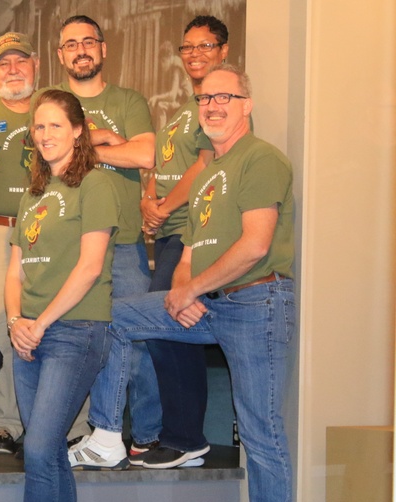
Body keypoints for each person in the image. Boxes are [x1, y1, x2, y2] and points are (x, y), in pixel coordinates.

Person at [102, 65, 295, 502]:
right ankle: (104, 437)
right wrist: (182, 291)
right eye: (205, 98)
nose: (212, 105)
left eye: (224, 97)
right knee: (116, 316)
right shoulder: (210, 171)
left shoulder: (261, 159)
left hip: (258, 302)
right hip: (211, 302)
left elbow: (255, 245)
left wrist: (194, 290)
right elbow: (188, 249)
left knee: (261, 431)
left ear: (246, 105)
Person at [4, 89, 118, 502]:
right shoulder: (31, 194)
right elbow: (15, 269)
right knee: (47, 448)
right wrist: (14, 320)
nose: (45, 134)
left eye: (55, 125)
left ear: (78, 129)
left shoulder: (96, 185)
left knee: (38, 446)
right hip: (30, 332)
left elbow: (90, 266)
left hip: (75, 329)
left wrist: (41, 321)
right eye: (38, 126)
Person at [51, 15, 159, 469]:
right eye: (71, 44)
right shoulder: (51, 102)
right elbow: (40, 155)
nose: (81, 50)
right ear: (61, 55)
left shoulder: (129, 100)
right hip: (67, 247)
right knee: (85, 341)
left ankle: (150, 434)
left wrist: (80, 147)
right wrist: (101, 142)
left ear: (103, 49)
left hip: (125, 242)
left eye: (88, 42)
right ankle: (99, 433)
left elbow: (146, 153)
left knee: (137, 338)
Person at [126, 16, 233, 467]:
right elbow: (162, 164)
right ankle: (180, 435)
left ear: (224, 51)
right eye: (187, 47)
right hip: (170, 231)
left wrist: (166, 206)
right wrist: (150, 201)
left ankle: (186, 437)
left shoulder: (219, 105)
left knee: (167, 326)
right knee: (169, 326)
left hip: (195, 233)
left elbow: (207, 165)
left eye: (205, 46)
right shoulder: (185, 108)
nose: (194, 54)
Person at [0, 32, 39, 456]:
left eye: (20, 61)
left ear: (36, 63)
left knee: (56, 325)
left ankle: (66, 424)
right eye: (3, 63)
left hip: (50, 230)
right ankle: (1, 423)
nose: (12, 70)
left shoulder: (57, 104)